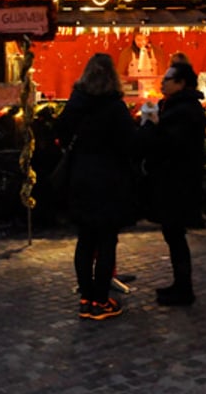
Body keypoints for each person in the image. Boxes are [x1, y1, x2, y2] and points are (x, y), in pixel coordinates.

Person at [55, 53, 137, 320]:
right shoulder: (115, 106)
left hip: (80, 175)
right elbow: (130, 142)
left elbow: (61, 131)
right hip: (109, 178)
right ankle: (101, 301)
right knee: (106, 240)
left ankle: (86, 297)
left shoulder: (76, 102)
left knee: (85, 240)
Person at [138, 61, 206, 305]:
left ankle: (183, 288)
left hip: (177, 182)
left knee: (175, 234)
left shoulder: (184, 111)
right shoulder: (178, 107)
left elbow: (167, 144)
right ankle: (180, 284)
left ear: (181, 83)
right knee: (173, 234)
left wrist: (149, 127)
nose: (162, 82)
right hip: (175, 180)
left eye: (168, 79)